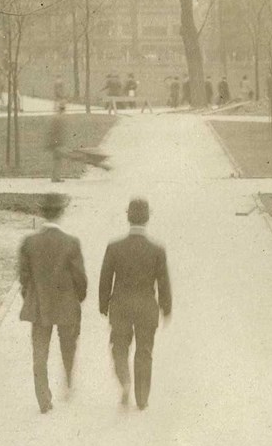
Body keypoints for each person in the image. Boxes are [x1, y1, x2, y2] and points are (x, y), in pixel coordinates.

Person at [99, 197, 172, 410]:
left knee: (119, 347)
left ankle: (125, 382)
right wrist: (166, 308)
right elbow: (164, 282)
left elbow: (105, 279)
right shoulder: (157, 250)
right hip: (146, 307)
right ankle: (142, 399)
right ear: (147, 218)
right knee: (144, 351)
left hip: (120, 306)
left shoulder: (114, 247)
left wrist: (104, 305)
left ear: (128, 217)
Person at [17, 193, 86, 414]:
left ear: (41, 212)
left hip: (39, 307)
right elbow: (80, 278)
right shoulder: (71, 242)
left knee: (39, 353)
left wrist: (30, 297)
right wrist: (78, 298)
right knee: (68, 345)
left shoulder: (28, 242)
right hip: (66, 304)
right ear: (61, 213)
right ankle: (67, 380)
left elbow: (24, 277)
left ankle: (43, 399)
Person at [47, 101, 68, 183]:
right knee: (57, 160)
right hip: (56, 143)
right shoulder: (59, 118)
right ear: (63, 110)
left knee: (56, 160)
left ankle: (55, 177)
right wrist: (58, 143)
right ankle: (55, 178)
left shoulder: (56, 117)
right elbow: (56, 132)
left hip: (55, 142)